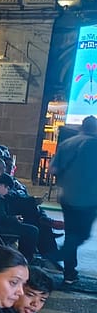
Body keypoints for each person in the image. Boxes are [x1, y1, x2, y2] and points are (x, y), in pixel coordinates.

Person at [50, 115, 97, 285]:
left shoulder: (67, 143)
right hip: (89, 198)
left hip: (67, 195)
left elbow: (53, 169)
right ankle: (59, 255)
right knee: (81, 234)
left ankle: (69, 273)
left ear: (81, 127)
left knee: (71, 233)